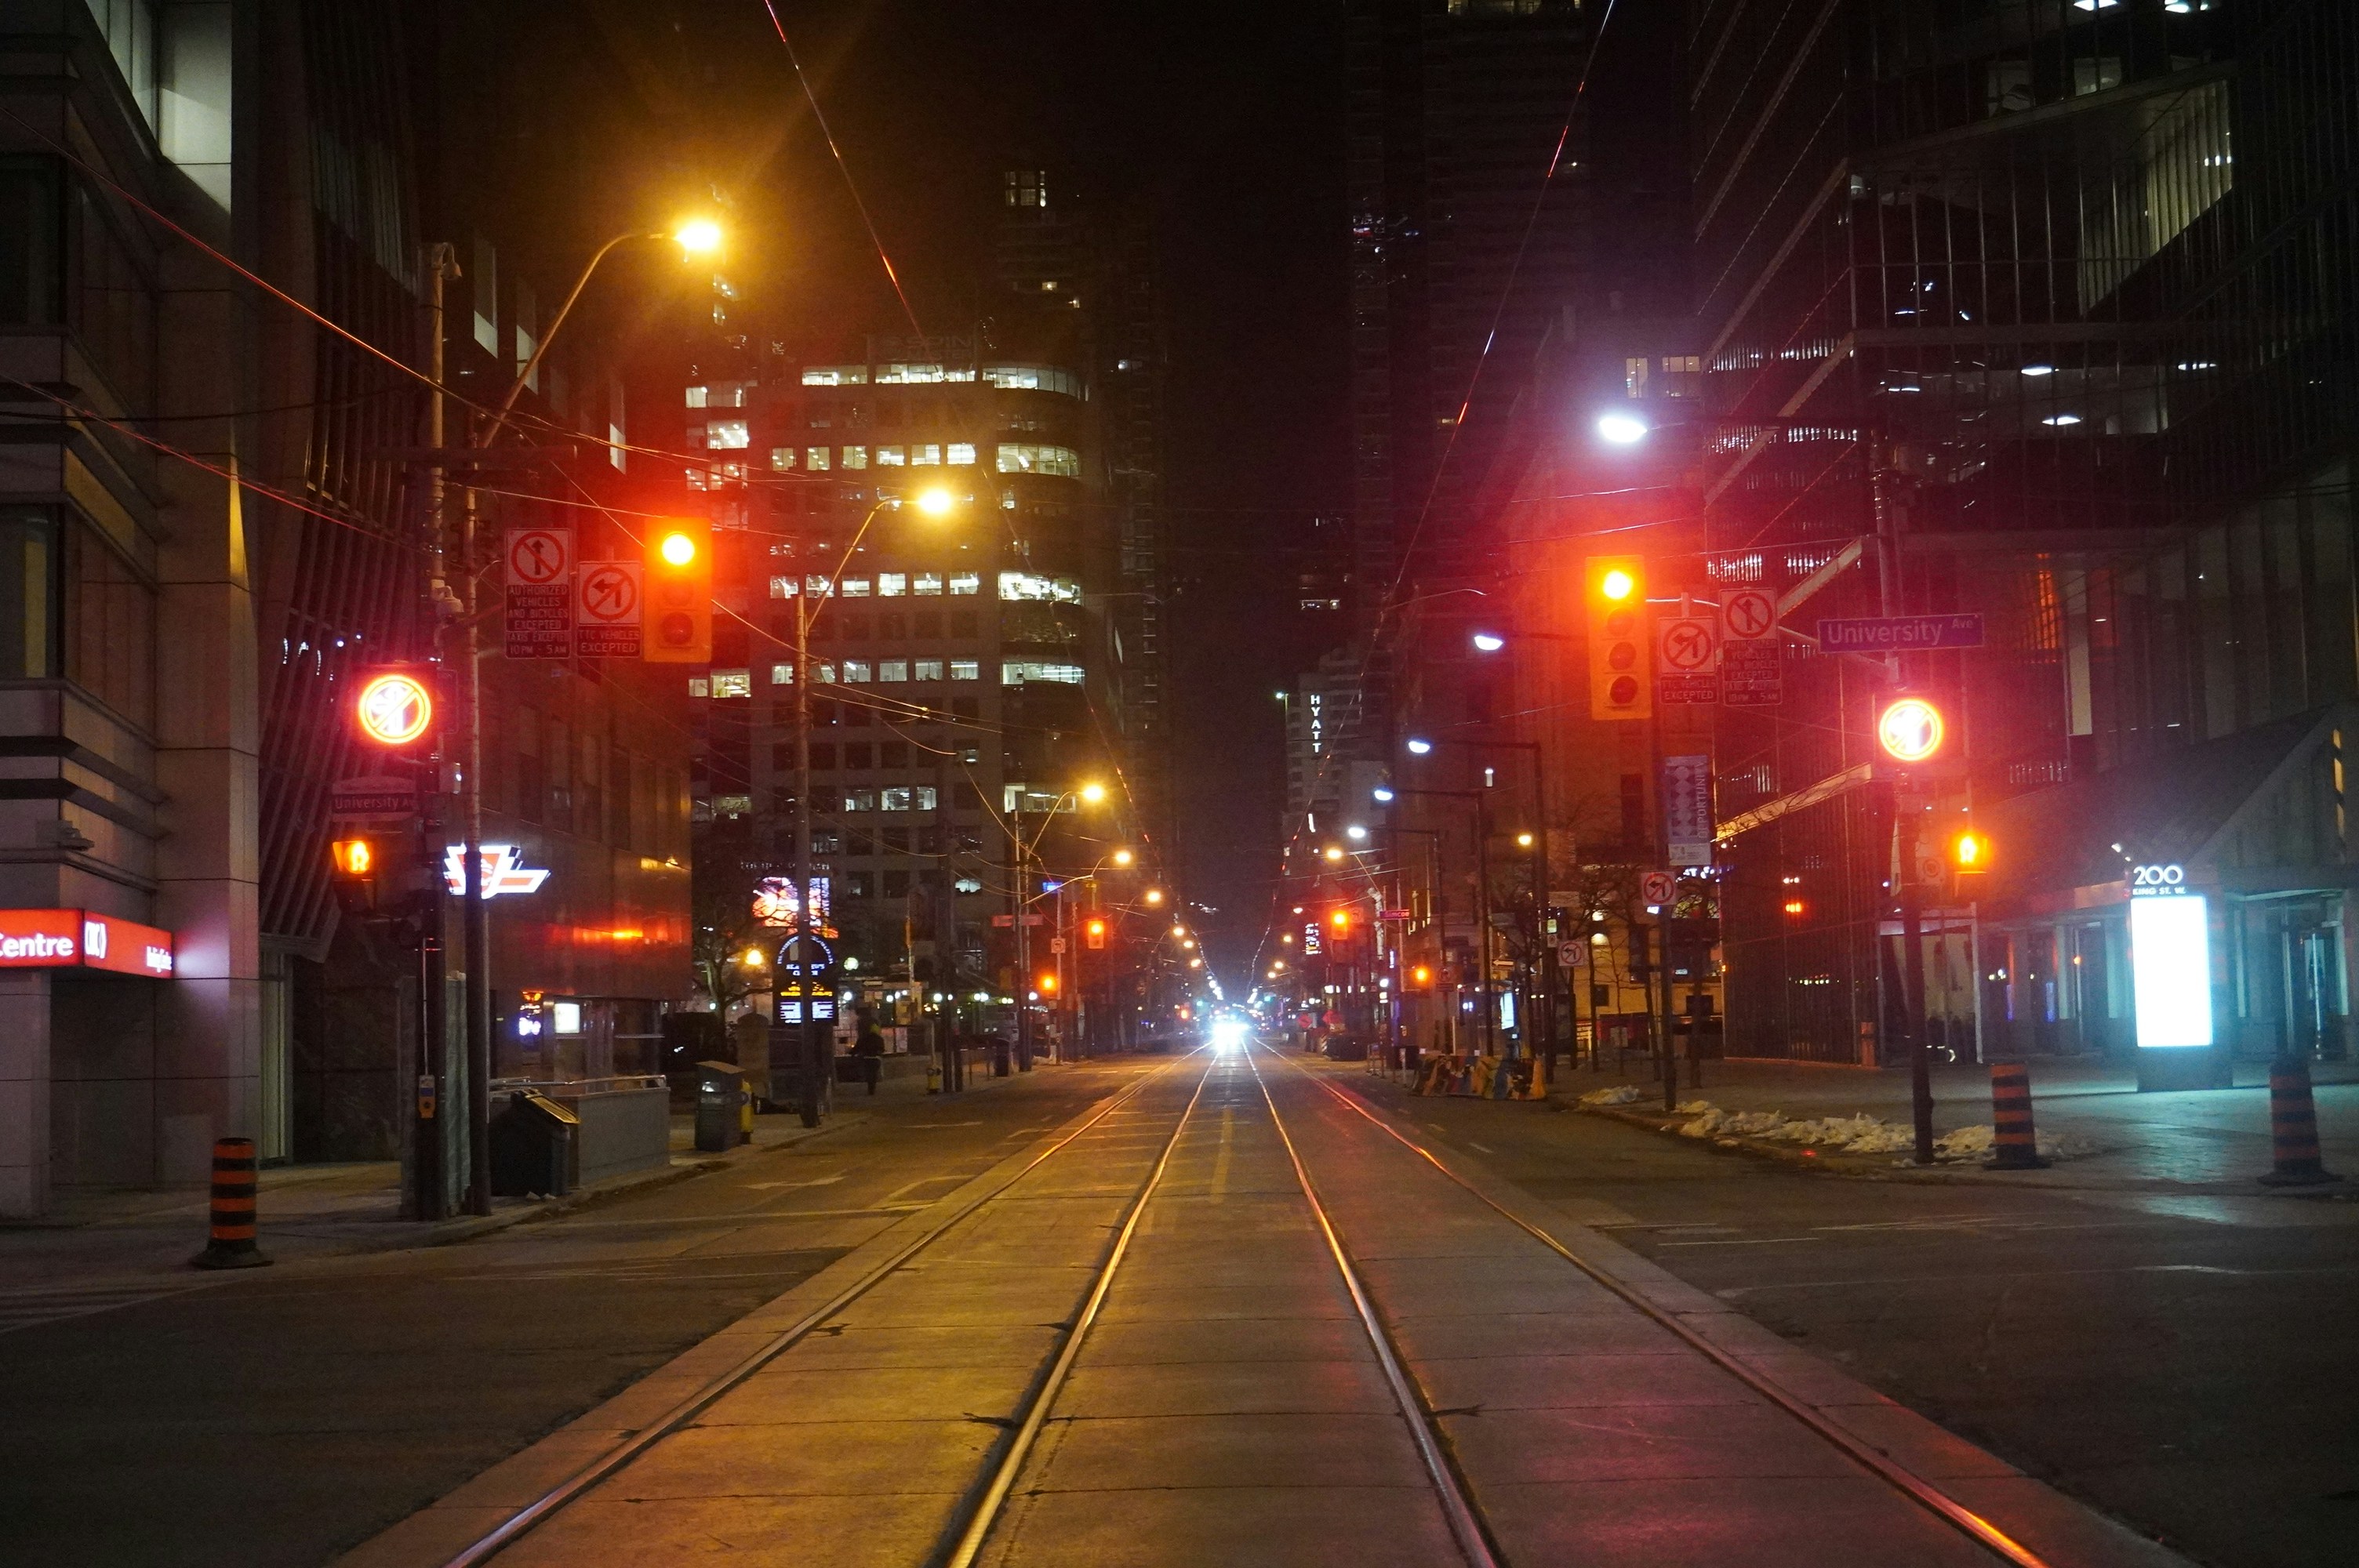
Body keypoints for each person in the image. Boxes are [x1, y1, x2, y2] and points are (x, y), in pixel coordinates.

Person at [852, 1014, 885, 1095]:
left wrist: (852, 1053)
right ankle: (872, 1088)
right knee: (874, 1073)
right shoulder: (879, 1039)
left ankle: (870, 1087)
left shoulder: (864, 1039)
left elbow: (858, 1048)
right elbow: (882, 1049)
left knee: (868, 1073)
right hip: (876, 1058)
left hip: (866, 1058)